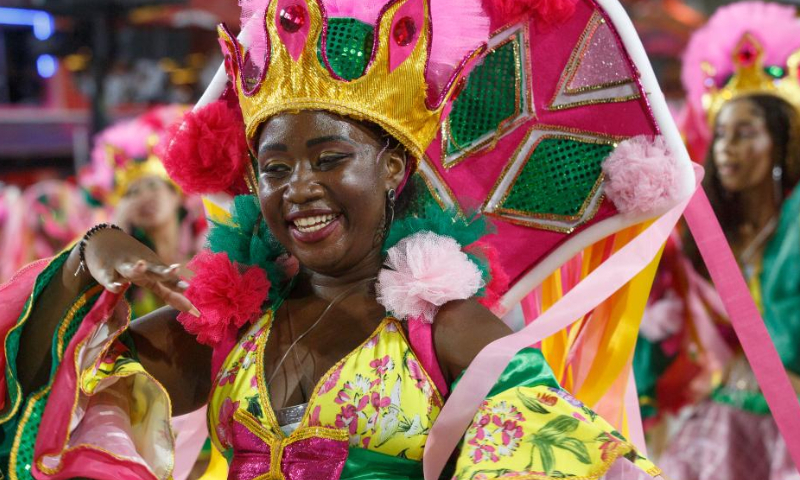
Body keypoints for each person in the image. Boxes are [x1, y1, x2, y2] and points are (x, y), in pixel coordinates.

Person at [0, 0, 690, 478]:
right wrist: (90, 259)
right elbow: (44, 403)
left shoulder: (447, 332)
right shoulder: (227, 331)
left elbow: (565, 461)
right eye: (274, 168)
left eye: (330, 159)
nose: (298, 187)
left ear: (392, 168)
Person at [653, 3, 800, 478]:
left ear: (782, 144)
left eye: (746, 133)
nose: (726, 148)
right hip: (725, 418)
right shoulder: (709, 239)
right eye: (720, 135)